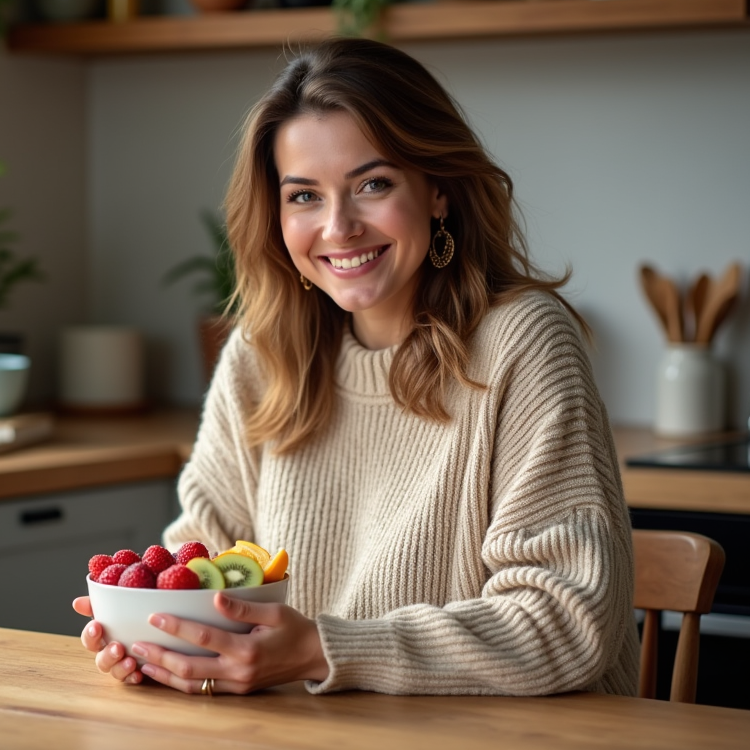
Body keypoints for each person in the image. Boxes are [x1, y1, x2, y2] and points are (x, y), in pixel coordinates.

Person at [72, 37, 639, 697]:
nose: (338, 227)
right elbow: (202, 565)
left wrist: (319, 650)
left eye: (373, 184)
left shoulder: (523, 344)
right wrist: (163, 642)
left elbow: (568, 621)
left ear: (438, 192)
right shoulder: (261, 353)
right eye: (304, 196)